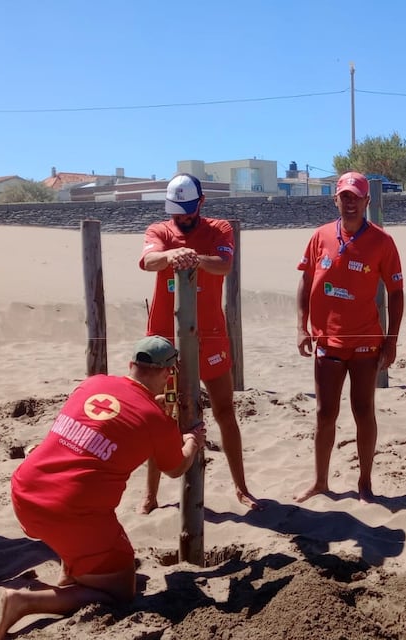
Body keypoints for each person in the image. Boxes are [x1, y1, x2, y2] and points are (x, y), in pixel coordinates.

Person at [0, 336, 205, 639]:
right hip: (69, 511)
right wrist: (192, 441)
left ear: (131, 365)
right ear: (167, 373)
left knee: (84, 519)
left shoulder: (94, 383)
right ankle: (24, 602)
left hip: (26, 490)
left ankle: (71, 574)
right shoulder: (156, 420)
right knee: (121, 590)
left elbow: (107, 421)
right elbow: (175, 468)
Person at [138, 172, 258, 511]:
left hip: (211, 338)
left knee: (224, 411)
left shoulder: (219, 228)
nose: (182, 218)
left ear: (201, 203)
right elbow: (148, 261)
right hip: (165, 341)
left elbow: (224, 264)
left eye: (188, 211)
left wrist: (192, 257)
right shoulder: (159, 231)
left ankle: (242, 488)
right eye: (176, 212)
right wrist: (172, 256)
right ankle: (150, 495)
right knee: (160, 413)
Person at [294, 171, 404, 503]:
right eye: (345, 196)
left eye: (356, 197)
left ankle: (365, 483)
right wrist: (301, 326)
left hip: (366, 342)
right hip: (327, 341)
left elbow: (396, 292)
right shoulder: (320, 236)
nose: (350, 202)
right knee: (324, 413)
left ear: (367, 201)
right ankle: (320, 481)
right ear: (336, 200)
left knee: (363, 410)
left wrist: (392, 339)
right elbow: (305, 280)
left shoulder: (382, 241)